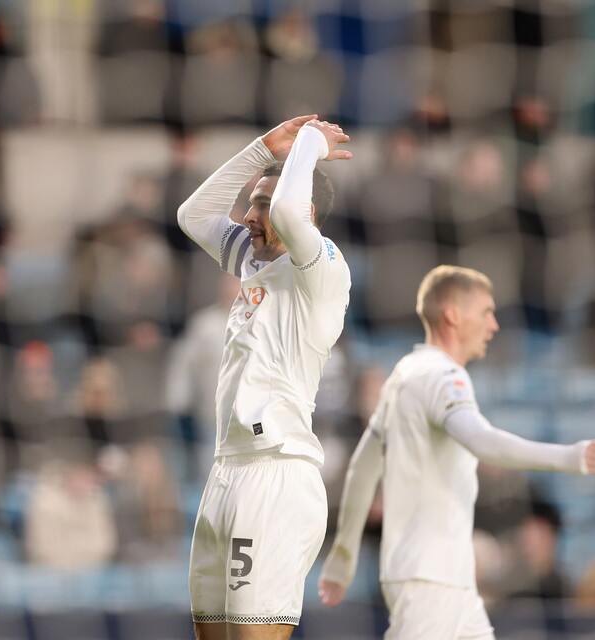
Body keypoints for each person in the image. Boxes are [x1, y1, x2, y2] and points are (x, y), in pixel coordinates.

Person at [317, 265, 595, 640]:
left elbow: (363, 469)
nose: (494, 325)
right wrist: (570, 458)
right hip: (430, 579)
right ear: (453, 315)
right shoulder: (444, 377)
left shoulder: (405, 373)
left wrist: (344, 556)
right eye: (486, 313)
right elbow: (484, 442)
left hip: (446, 578)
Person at [179, 114, 353, 639]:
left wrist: (309, 145)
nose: (249, 214)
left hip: (277, 473)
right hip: (226, 469)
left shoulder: (320, 269)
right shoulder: (254, 263)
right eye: (251, 202)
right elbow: (193, 214)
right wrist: (261, 150)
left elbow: (285, 211)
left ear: (308, 211)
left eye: (260, 204)